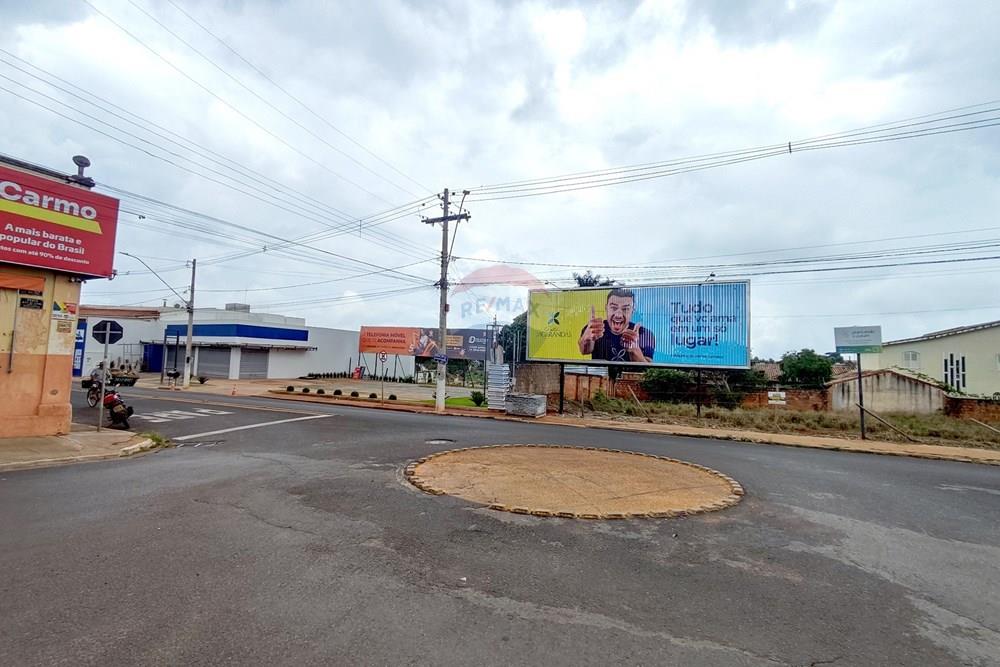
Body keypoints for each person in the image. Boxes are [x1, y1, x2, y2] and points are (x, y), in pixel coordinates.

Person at [578, 288, 655, 362]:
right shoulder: (594, 328)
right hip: (602, 375)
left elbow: (648, 369)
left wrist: (634, 350)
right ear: (606, 308)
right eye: (613, 308)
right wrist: (586, 340)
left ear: (632, 311)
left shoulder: (645, 334)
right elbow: (584, 351)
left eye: (625, 309)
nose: (618, 315)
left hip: (629, 376)